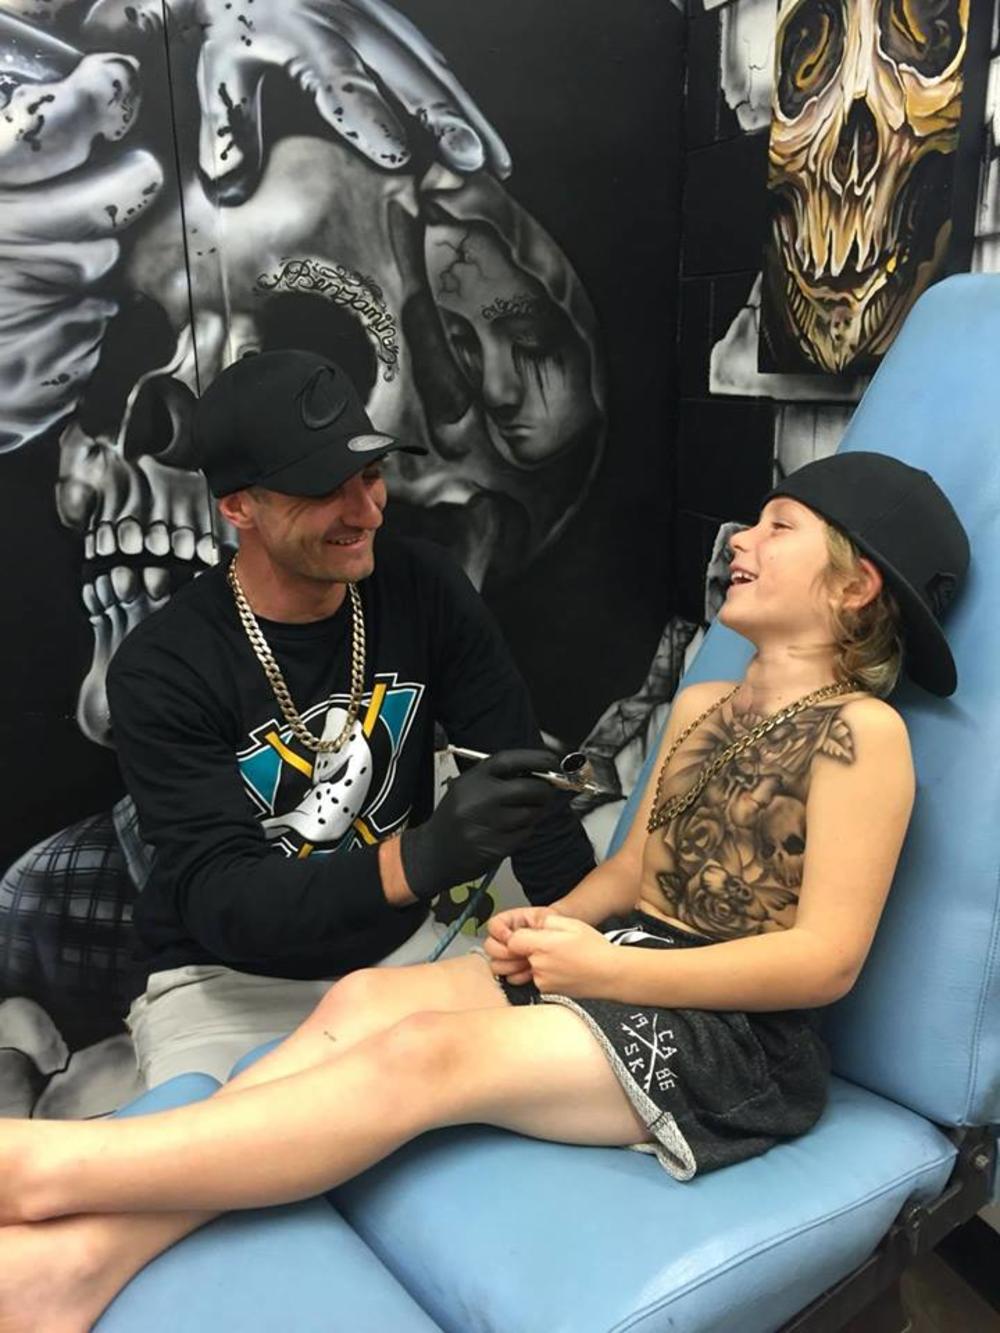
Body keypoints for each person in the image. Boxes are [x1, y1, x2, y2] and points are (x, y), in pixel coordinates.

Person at [0, 451, 970, 1331]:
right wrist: (553, 923)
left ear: (854, 584)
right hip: (626, 959)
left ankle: (52, 1169)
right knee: (365, 999)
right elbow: (633, 872)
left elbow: (824, 963)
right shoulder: (704, 703)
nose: (739, 541)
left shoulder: (864, 734)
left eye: (776, 527)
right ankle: (87, 1258)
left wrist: (604, 970)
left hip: (739, 1042)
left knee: (421, 1055)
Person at [105, 348, 596, 1087]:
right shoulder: (164, 666)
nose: (367, 511)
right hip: (224, 983)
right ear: (238, 506)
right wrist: (419, 858)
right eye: (323, 488)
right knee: (229, 1149)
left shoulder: (425, 589)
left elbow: (531, 799)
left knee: (558, 1083)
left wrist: (595, 948)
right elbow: (222, 900)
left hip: (401, 959)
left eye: (370, 474)